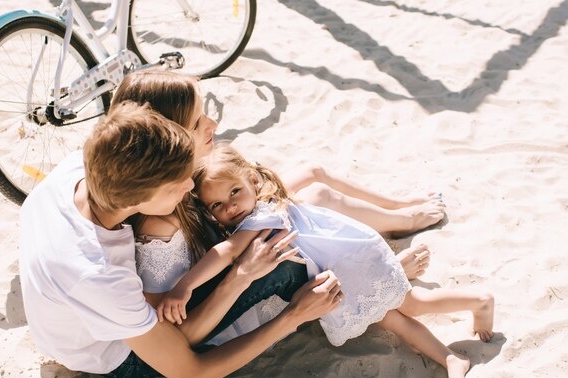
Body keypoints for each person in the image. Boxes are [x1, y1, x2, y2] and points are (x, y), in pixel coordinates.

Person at [18, 101, 344, 378]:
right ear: (140, 200)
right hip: (115, 353)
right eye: (177, 184)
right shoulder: (100, 273)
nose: (189, 185)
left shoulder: (80, 166)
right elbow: (193, 375)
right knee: (284, 260)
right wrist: (293, 316)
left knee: (265, 233)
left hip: (84, 314)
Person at [154, 144, 494, 378]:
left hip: (355, 263)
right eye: (218, 204)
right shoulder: (262, 206)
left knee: (411, 305)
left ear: (253, 183)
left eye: (235, 192)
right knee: (390, 318)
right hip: (340, 268)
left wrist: (184, 286)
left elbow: (225, 252)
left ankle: (478, 301)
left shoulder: (257, 218)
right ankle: (451, 359)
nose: (230, 206)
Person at [111, 69, 444, 281]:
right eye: (199, 122)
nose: (213, 125)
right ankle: (392, 257)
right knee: (314, 202)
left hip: (242, 231)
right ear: (171, 134)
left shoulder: (187, 175)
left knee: (315, 179)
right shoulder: (163, 213)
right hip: (252, 264)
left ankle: (399, 212)